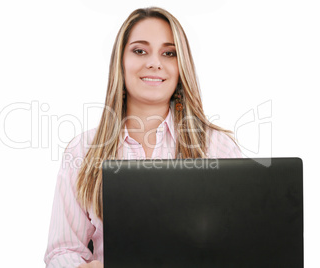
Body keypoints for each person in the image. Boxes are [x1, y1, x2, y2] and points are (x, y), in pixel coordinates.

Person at [44, 7, 242, 268]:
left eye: (169, 53)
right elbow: (62, 251)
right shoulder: (83, 150)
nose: (154, 63)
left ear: (181, 65)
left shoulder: (217, 147)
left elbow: (240, 245)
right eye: (140, 50)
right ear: (121, 62)